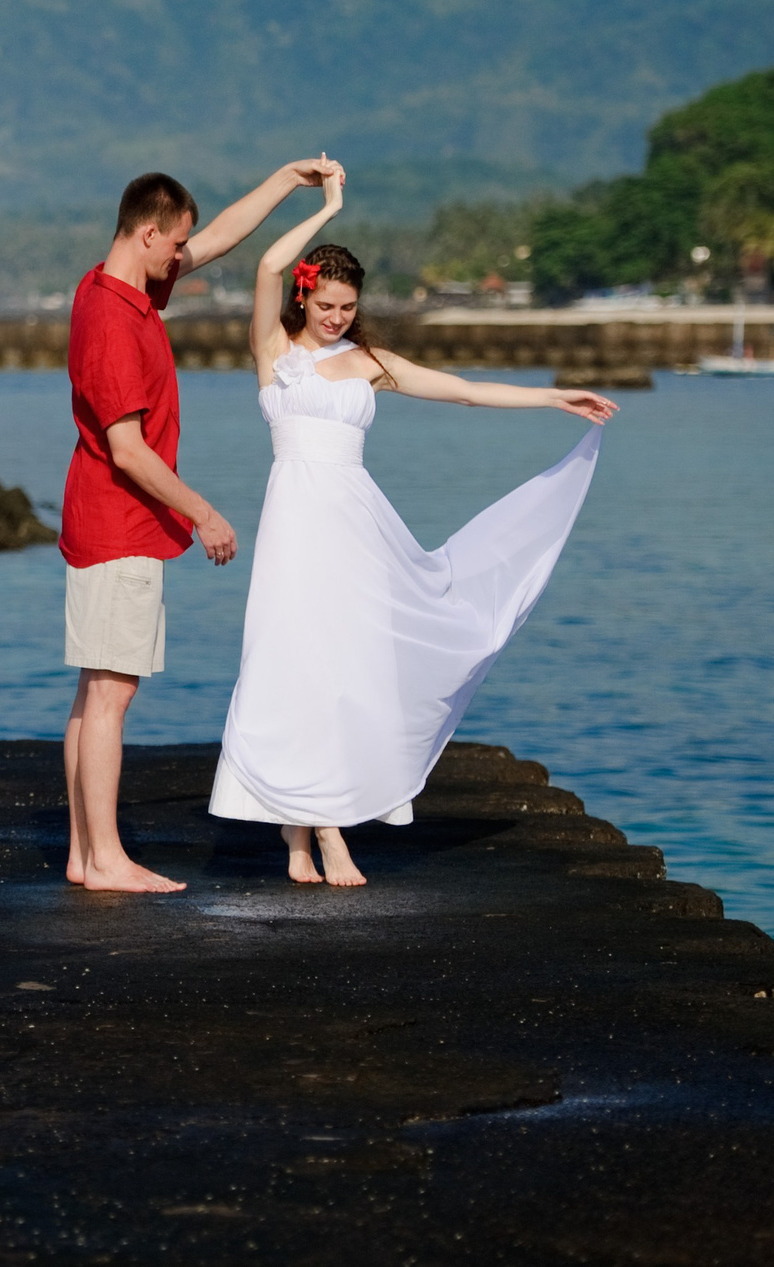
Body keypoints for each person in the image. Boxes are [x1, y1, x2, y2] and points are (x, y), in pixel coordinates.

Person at [208, 168, 616, 887]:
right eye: (327, 303)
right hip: (292, 526)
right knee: (289, 661)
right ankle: (310, 832)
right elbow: (268, 262)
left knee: (343, 667)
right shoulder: (275, 351)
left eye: (348, 305)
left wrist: (554, 395)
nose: (336, 316)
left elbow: (461, 390)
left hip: (355, 528)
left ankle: (316, 826)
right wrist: (326, 203)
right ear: (306, 294)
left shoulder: (370, 362)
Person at [61, 158, 342, 894]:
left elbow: (218, 237)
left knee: (94, 691)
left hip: (97, 517)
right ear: (147, 232)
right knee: (113, 694)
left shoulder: (118, 282)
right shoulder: (112, 321)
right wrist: (205, 512)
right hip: (119, 522)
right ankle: (107, 859)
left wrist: (285, 179)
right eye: (174, 244)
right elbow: (128, 450)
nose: (183, 257)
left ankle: (83, 853)